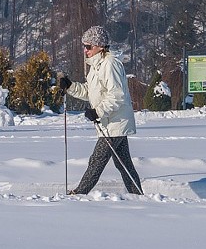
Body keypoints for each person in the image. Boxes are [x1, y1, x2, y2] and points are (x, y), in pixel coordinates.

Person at [57, 25, 143, 195]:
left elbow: (117, 96)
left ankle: (79, 193)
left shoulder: (110, 64)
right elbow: (90, 91)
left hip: (114, 123)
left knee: (97, 160)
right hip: (111, 123)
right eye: (84, 46)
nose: (85, 50)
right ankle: (138, 195)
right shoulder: (96, 67)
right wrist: (70, 86)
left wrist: (98, 112)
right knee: (123, 163)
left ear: (100, 46)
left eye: (88, 46)